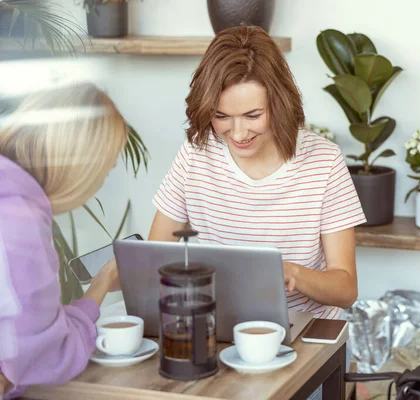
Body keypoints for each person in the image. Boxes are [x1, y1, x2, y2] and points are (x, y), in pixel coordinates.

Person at [149, 25, 366, 321]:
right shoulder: (195, 155)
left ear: (280, 105)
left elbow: (346, 289)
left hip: (305, 333)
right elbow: (153, 261)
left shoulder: (323, 161)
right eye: (221, 116)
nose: (238, 133)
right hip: (222, 327)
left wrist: (292, 273)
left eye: (253, 116)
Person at [0, 83, 127, 398]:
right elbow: (49, 354)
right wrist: (100, 286)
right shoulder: (19, 227)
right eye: (105, 171)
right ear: (83, 166)